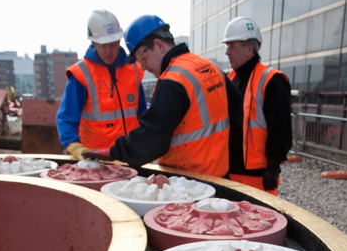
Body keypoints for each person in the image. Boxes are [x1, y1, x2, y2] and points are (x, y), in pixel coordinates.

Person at [97, 14, 242, 177]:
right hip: (217, 175)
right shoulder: (209, 67)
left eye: (142, 58)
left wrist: (112, 152)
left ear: (158, 45)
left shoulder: (173, 81)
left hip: (188, 181)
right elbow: (237, 113)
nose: (143, 67)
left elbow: (152, 139)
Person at [56, 9, 147, 160]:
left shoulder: (133, 70)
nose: (109, 51)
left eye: (113, 44)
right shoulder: (82, 74)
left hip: (130, 155)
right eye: (103, 45)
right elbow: (66, 117)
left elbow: (143, 114)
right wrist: (73, 145)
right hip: (95, 159)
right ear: (93, 42)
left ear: (119, 40)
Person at [222, 16, 292, 194]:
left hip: (258, 176)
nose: (227, 52)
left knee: (258, 220)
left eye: (232, 45)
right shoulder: (230, 80)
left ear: (248, 48)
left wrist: (273, 165)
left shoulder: (272, 81)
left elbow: (281, 128)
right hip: (229, 172)